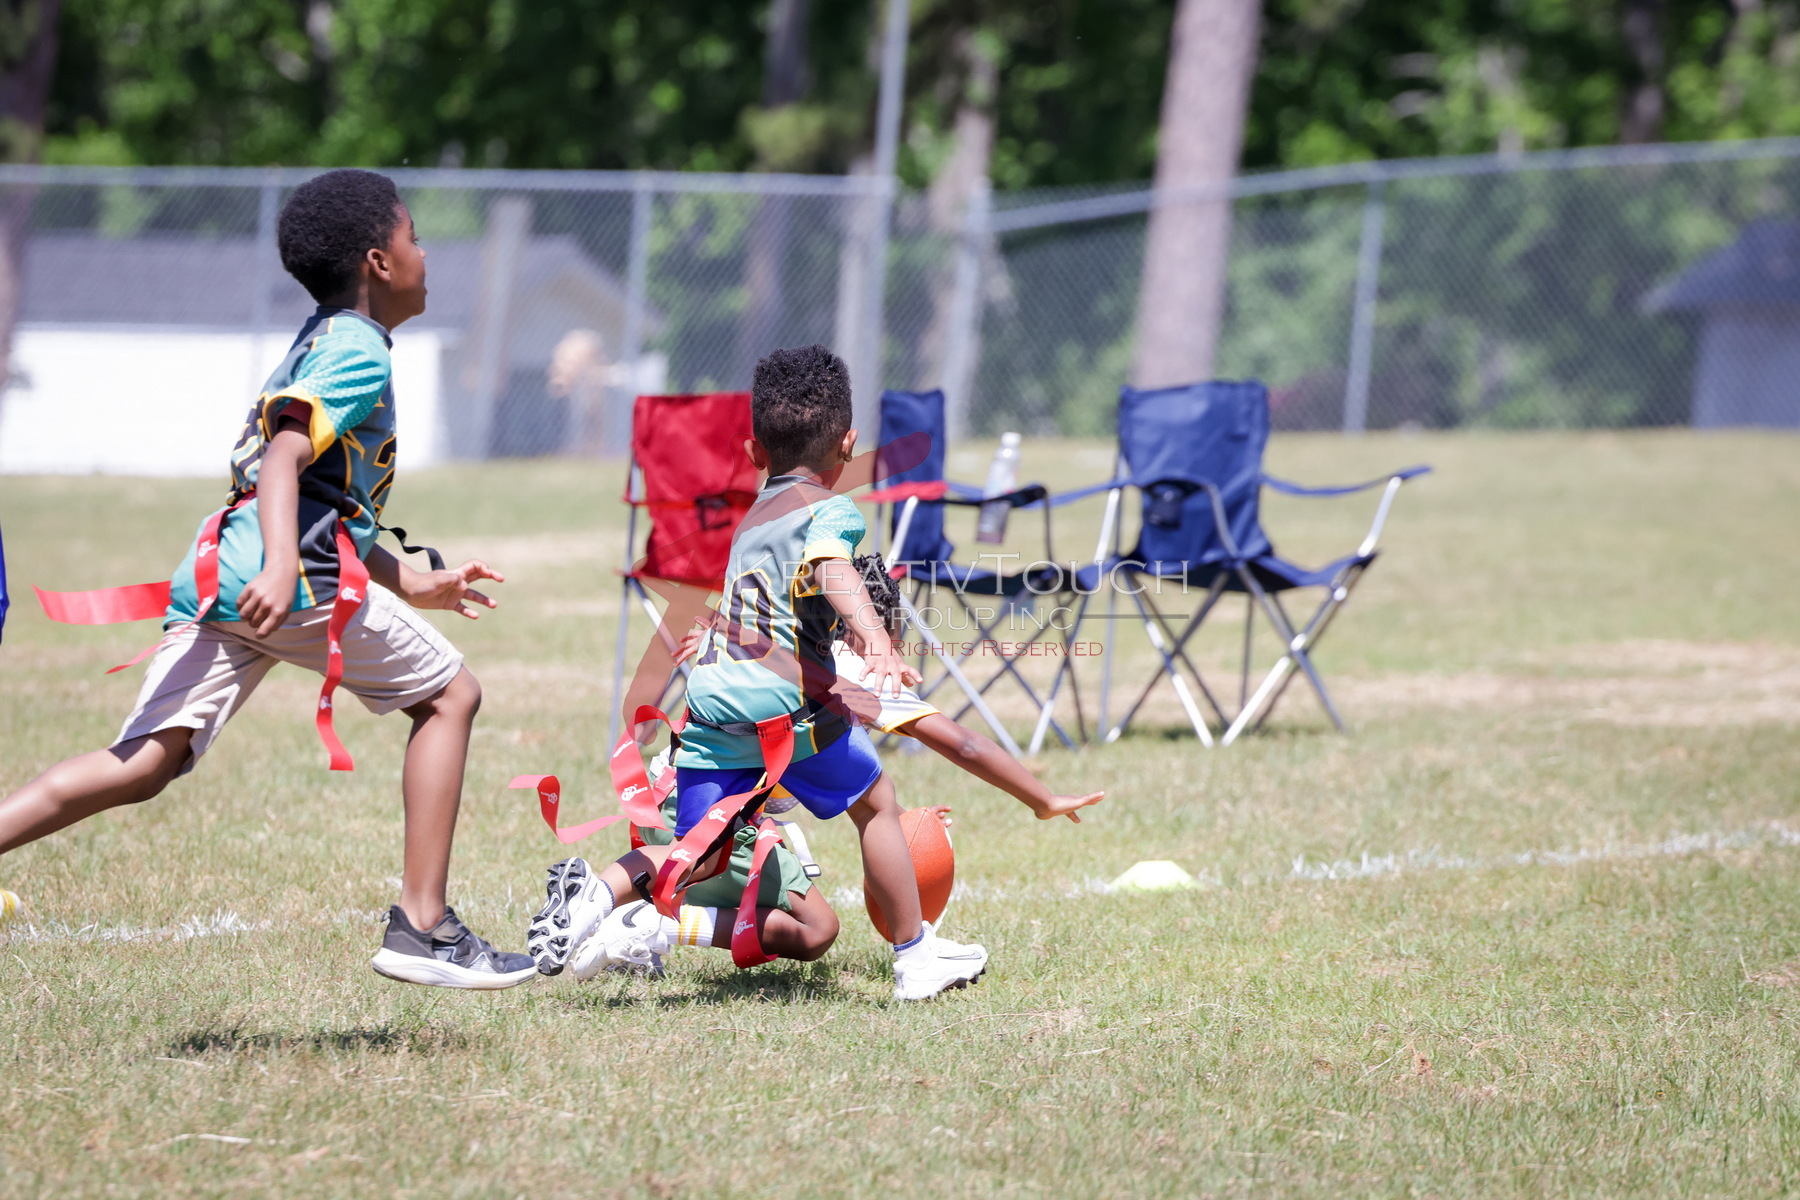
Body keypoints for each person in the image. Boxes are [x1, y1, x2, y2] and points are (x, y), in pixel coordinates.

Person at [0, 169, 535, 990]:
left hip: (225, 572)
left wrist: (407, 579)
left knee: (143, 764)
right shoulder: (358, 348)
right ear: (378, 262)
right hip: (284, 577)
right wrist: (285, 566)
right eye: (415, 237)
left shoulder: (321, 339)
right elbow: (284, 457)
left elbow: (325, 497)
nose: (426, 254)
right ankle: (423, 928)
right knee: (450, 697)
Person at [529, 344, 986, 1001]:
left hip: (710, 706)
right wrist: (872, 634)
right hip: (783, 709)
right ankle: (916, 959)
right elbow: (832, 566)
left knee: (695, 856)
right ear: (848, 443)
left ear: (753, 453)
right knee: (877, 805)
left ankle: (595, 895)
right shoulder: (828, 508)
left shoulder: (752, 522)